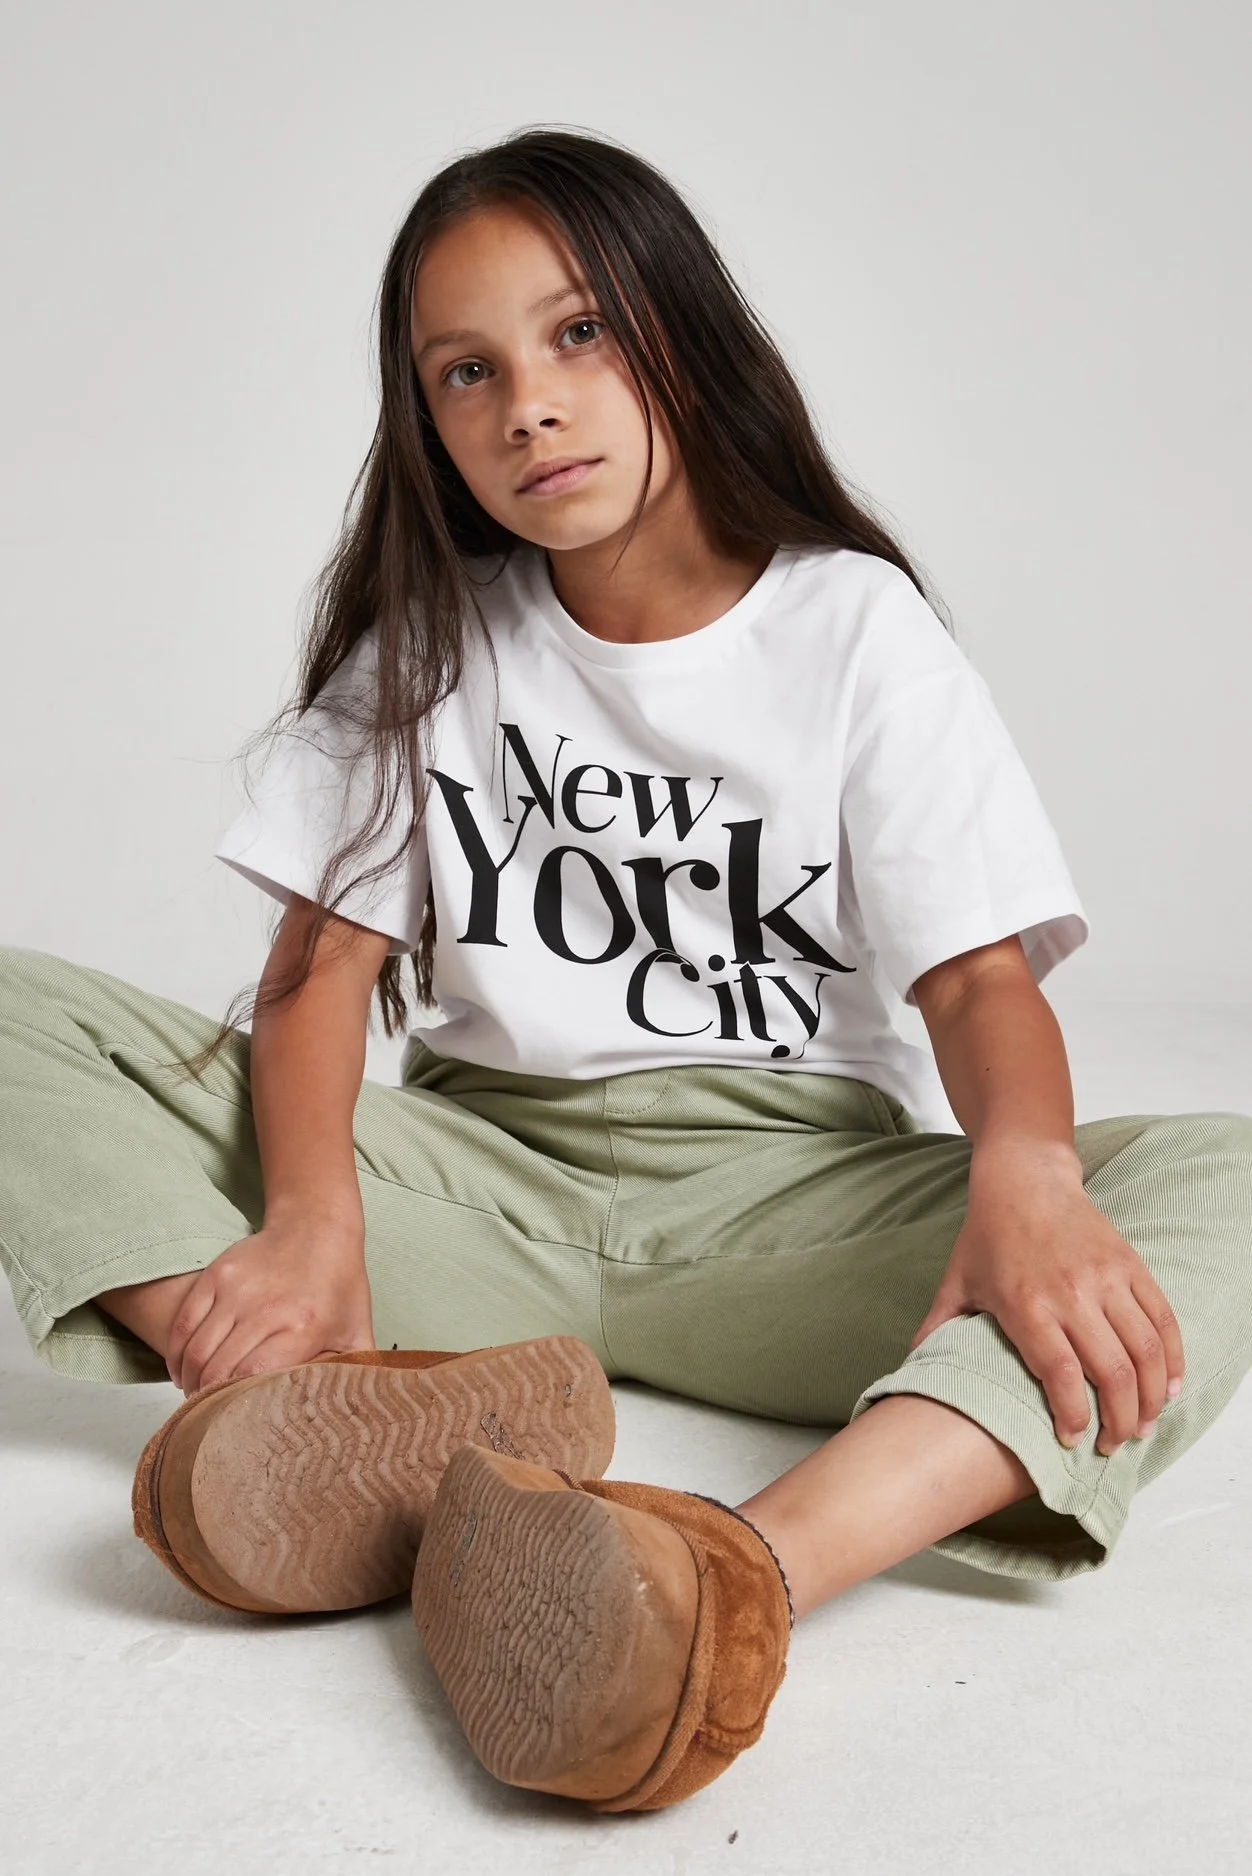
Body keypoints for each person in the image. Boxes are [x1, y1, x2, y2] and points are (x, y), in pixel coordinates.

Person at [2, 125, 1250, 1815]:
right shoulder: (431, 640)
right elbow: (313, 986)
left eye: (578, 333)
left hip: (787, 1208)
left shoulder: (851, 626)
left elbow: (971, 982)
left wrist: (1026, 1172)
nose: (529, 402)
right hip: (480, 1193)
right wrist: (315, 1225)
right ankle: (324, 1394)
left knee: (1226, 1187)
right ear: (428, 422)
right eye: (468, 370)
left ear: (679, 330)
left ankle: (727, 1570)